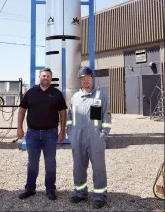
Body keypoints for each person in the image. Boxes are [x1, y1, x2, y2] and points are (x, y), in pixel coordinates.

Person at [17, 68, 67, 200]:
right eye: (43, 75)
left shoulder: (56, 94)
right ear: (39, 77)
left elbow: (63, 112)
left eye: (48, 76)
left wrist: (62, 131)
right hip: (32, 134)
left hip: (50, 134)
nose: (46, 78)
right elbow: (22, 110)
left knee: (50, 163)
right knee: (32, 162)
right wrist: (19, 128)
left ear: (51, 78)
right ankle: (30, 188)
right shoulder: (31, 92)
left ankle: (50, 189)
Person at [66, 66, 111, 209]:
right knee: (78, 167)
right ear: (80, 81)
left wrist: (102, 135)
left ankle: (99, 196)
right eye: (83, 79)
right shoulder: (75, 97)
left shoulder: (101, 96)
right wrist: (71, 133)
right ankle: (80, 193)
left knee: (98, 168)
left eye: (88, 78)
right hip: (78, 137)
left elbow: (107, 118)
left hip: (95, 137)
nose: (86, 81)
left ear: (93, 78)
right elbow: (69, 118)